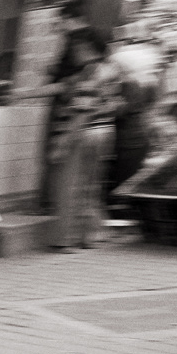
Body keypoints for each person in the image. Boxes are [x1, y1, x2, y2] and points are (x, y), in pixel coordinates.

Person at [45, 28, 124, 252]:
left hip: (86, 132)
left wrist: (63, 143)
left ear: (87, 48)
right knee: (91, 186)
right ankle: (89, 236)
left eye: (76, 48)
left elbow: (83, 112)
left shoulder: (90, 72)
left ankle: (67, 240)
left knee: (70, 186)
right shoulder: (111, 69)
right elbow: (65, 86)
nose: (74, 53)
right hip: (106, 131)